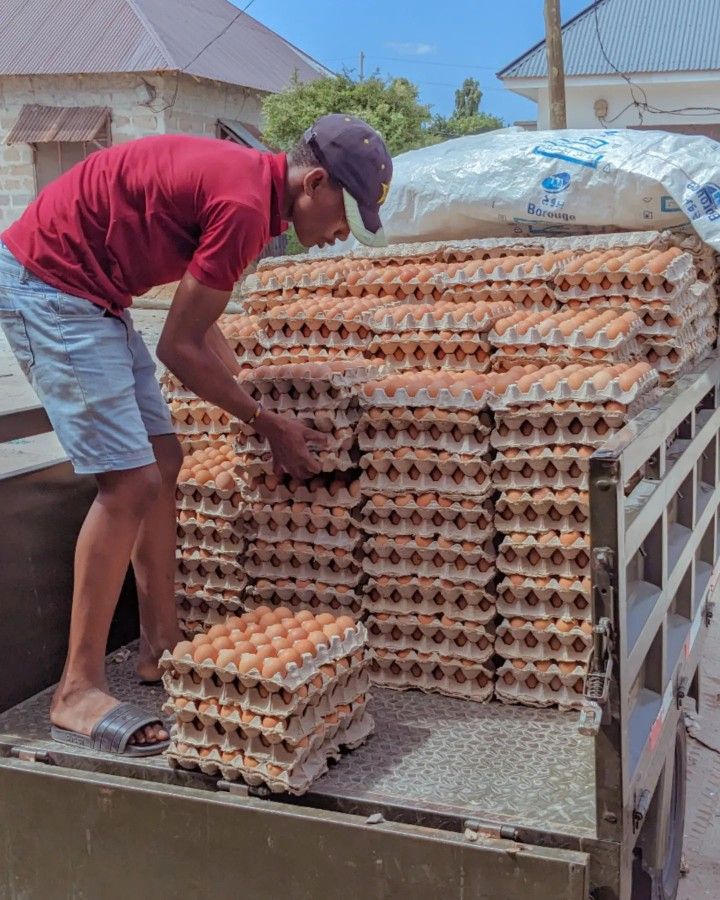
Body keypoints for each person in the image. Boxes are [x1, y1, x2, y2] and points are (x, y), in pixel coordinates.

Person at [0, 114, 392, 756]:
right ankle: (76, 688)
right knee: (129, 485)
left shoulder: (252, 197)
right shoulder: (243, 204)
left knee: (163, 456)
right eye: (345, 215)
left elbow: (199, 321)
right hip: (53, 283)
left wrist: (257, 387)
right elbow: (178, 349)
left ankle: (160, 644)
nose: (341, 234)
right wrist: (265, 424)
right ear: (314, 182)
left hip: (96, 292)